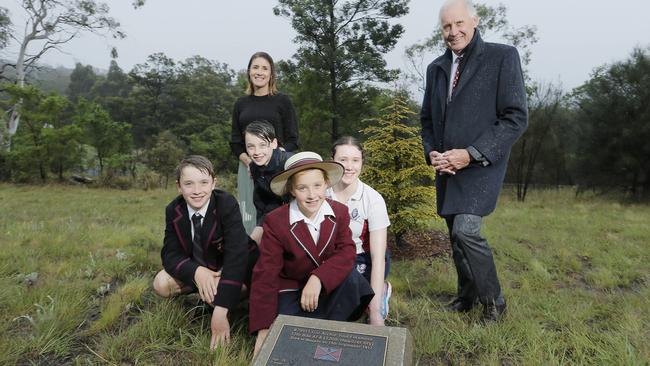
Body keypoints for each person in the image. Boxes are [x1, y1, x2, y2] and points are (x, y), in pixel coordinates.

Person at [419, 0, 528, 322]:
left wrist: (472, 154)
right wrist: (432, 153)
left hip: (482, 164)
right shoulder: (436, 68)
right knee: (454, 233)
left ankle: (494, 302)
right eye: (446, 27)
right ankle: (465, 295)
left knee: (466, 231)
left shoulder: (502, 56)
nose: (453, 32)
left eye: (459, 24)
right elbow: (426, 120)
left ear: (474, 21)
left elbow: (515, 117)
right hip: (447, 168)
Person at [249, 152, 374, 356]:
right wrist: (263, 328)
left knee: (351, 279)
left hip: (327, 286)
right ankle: (310, 330)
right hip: (293, 288)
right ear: (291, 189)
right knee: (286, 333)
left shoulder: (339, 212)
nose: (311, 194)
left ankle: (331, 332)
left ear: (326, 183)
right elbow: (266, 272)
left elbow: (347, 251)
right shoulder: (276, 221)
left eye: (317, 185)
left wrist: (318, 278)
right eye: (302, 188)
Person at [152, 155, 259, 348]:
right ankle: (209, 293)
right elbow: (170, 254)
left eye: (203, 183)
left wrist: (220, 311)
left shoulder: (225, 203)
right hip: (201, 268)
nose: (197, 191)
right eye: (189, 184)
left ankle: (230, 303)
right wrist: (196, 271)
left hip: (233, 269)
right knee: (161, 284)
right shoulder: (173, 210)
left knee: (219, 296)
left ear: (213, 183)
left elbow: (237, 255)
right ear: (179, 186)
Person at [230, 51, 299, 236]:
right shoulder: (241, 103)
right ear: (249, 71)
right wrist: (250, 163)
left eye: (264, 68)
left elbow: (293, 139)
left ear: (271, 74)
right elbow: (235, 142)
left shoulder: (282, 101)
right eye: (255, 67)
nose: (259, 72)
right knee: (249, 216)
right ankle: (250, 257)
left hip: (278, 169)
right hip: (248, 168)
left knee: (277, 217)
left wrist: (275, 158)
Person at [327, 136, 391, 326]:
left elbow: (378, 257)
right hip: (330, 257)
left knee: (352, 309)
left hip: (362, 258)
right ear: (332, 161)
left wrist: (375, 313)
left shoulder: (373, 199)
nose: (349, 166)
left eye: (355, 160)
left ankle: (381, 293)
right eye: (343, 160)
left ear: (362, 162)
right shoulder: (322, 193)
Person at [244, 120, 294, 244]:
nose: (256, 152)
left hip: (298, 217)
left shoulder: (289, 163)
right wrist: (259, 227)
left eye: (262, 145)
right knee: (251, 245)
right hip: (273, 217)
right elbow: (261, 203)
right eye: (251, 146)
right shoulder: (254, 168)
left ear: (274, 143)